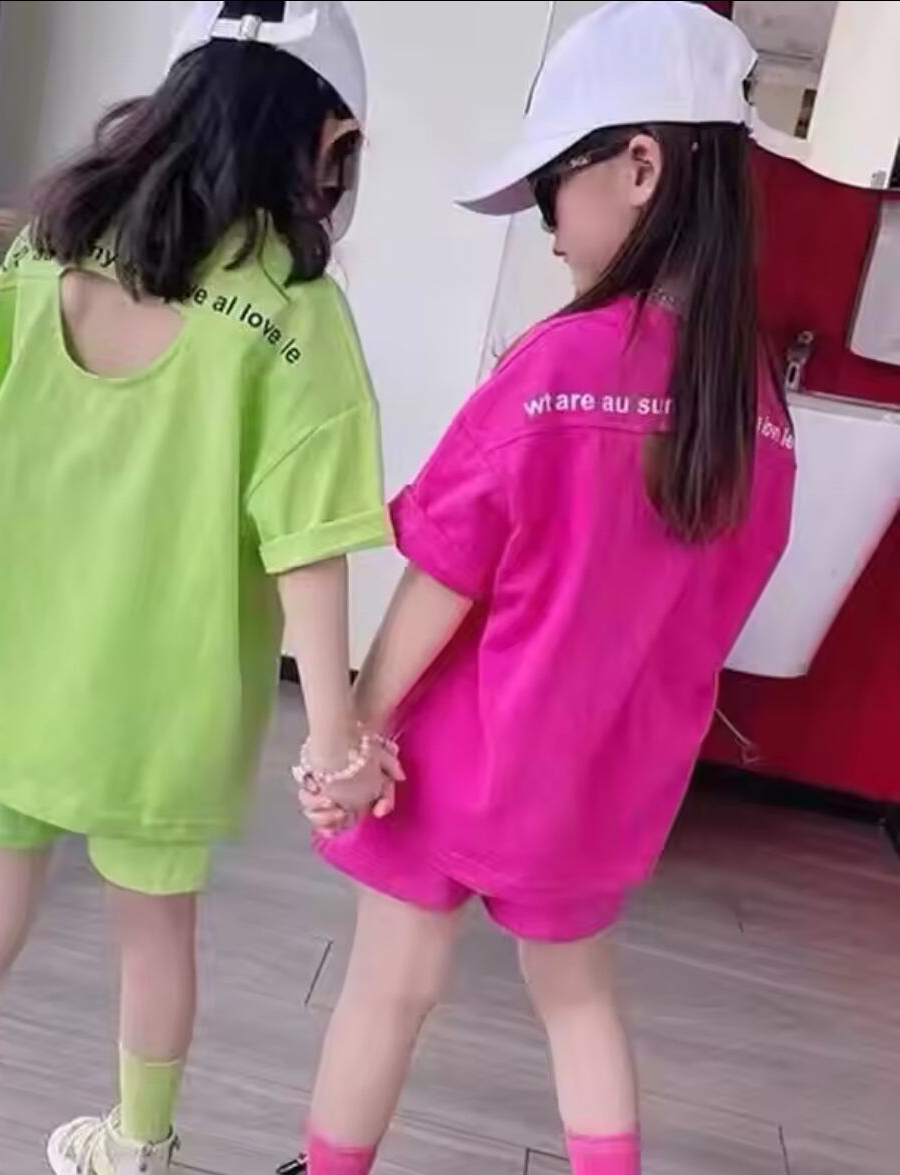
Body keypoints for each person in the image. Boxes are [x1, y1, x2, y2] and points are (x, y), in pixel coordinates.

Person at [0, 4, 397, 1174]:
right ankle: (137, 1145)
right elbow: (310, 541)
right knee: (156, 932)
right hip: (160, 693)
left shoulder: (48, 246)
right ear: (325, 138)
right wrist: (332, 736)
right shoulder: (295, 310)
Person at [287, 4, 796, 1174]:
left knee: (388, 987)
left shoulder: (559, 366)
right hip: (603, 784)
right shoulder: (760, 412)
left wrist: (356, 729)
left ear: (640, 166)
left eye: (553, 188)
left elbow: (442, 575)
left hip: (458, 761)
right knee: (579, 1000)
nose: (551, 230)